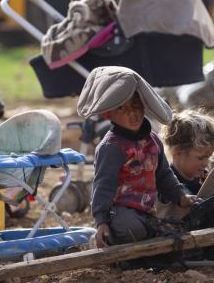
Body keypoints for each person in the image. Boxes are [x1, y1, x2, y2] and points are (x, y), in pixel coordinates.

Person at [83, 67, 198, 247]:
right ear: (108, 113)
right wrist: (101, 221)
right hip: (120, 212)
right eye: (122, 108)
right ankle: (105, 239)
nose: (132, 113)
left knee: (178, 227)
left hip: (148, 211)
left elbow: (163, 174)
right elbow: (103, 186)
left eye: (136, 105)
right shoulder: (111, 147)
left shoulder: (153, 141)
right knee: (132, 229)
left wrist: (180, 196)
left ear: (145, 105)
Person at [161, 109, 214, 194]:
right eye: (201, 158)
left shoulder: (206, 179)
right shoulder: (166, 183)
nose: (206, 163)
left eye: (208, 157)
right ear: (178, 151)